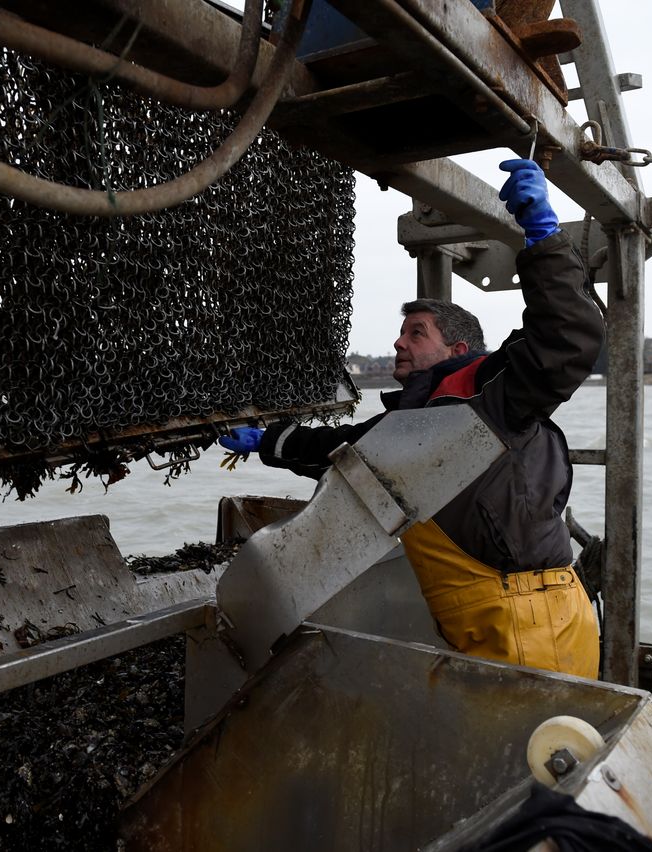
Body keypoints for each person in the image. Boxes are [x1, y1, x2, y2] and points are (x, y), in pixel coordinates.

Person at [219, 159, 604, 678]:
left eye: (416, 332)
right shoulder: (411, 419)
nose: (399, 342)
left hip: (532, 626)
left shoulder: (494, 393)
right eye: (402, 332)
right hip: (471, 625)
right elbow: (342, 454)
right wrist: (268, 441)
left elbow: (568, 338)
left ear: (458, 347)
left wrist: (543, 239)